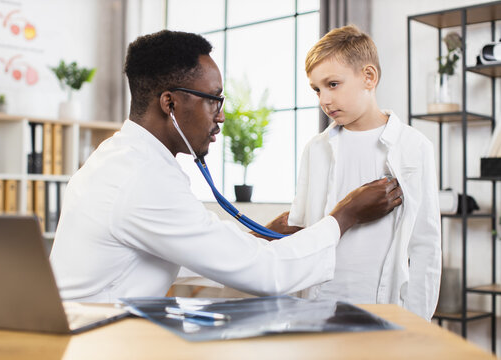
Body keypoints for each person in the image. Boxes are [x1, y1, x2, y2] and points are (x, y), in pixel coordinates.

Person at [49, 29, 402, 303]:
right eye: (213, 99)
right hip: (95, 342)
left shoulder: (120, 158)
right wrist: (345, 216)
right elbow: (266, 274)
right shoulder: (141, 179)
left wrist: (260, 236)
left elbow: (181, 250)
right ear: (169, 104)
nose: (220, 115)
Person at [288, 25, 441, 320]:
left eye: (333, 84)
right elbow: (302, 229)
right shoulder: (315, 149)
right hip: (318, 305)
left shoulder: (415, 147)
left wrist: (416, 320)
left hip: (384, 307)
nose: (324, 100)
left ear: (368, 77)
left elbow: (426, 244)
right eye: (316, 89)